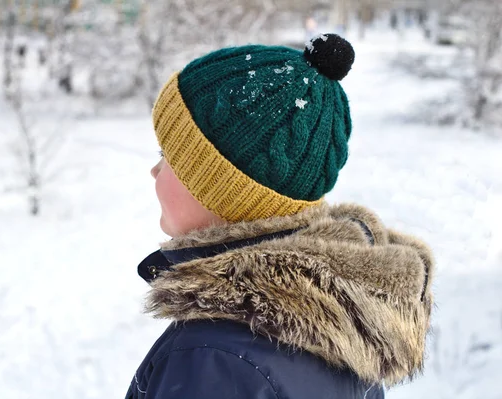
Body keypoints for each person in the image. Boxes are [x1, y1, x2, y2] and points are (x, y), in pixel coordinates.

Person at [125, 34, 434, 399]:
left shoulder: (214, 360)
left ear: (223, 191)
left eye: (168, 156)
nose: (155, 170)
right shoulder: (345, 317)